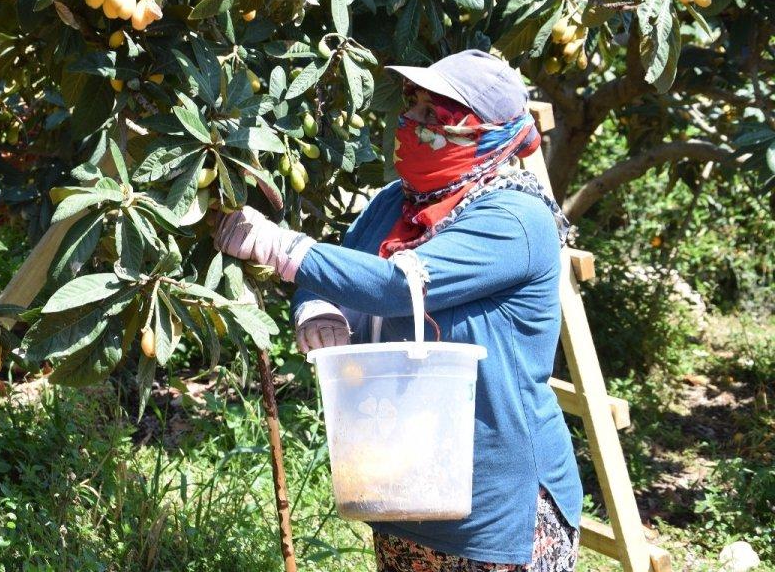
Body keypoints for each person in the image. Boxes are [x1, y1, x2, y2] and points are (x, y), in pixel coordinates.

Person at [214, 49, 582, 571]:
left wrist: (282, 248)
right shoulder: (398, 201)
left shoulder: (515, 219)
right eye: (413, 107)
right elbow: (343, 271)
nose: (410, 125)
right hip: (404, 486)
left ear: (484, 132)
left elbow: (397, 285)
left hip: (495, 507)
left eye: (435, 117)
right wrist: (320, 306)